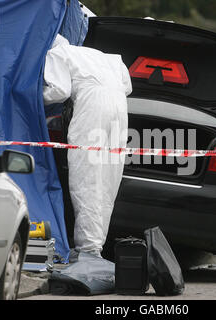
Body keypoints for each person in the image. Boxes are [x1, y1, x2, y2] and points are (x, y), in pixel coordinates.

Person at [43, 34, 132, 258]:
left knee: (87, 178)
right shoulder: (104, 56)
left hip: (92, 108)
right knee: (109, 179)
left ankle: (88, 251)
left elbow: (59, 91)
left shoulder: (56, 54)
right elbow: (127, 86)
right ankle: (96, 246)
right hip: (119, 109)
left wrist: (33, 97)